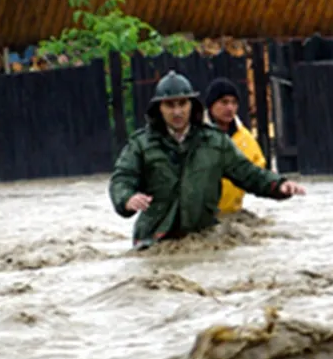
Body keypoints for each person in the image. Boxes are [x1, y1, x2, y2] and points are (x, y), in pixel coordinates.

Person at [109, 71, 305, 250]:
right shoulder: (141, 144)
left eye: (182, 104)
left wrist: (278, 185)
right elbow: (122, 178)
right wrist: (127, 199)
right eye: (170, 105)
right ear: (159, 108)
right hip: (153, 240)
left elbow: (248, 172)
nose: (177, 112)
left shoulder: (215, 141)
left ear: (192, 105)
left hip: (202, 237)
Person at [202, 77, 268, 215]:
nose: (230, 108)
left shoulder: (245, 138)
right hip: (201, 217)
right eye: (224, 102)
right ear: (211, 105)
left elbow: (259, 170)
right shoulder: (196, 134)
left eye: (234, 103)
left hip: (232, 213)